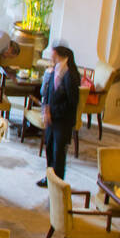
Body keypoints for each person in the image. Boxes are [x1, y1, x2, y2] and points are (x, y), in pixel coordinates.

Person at [37, 44, 80, 187]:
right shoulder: (54, 70)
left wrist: (52, 112)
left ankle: (58, 183)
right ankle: (49, 178)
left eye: (52, 54)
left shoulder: (71, 75)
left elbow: (72, 102)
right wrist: (45, 110)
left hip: (63, 120)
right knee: (49, 148)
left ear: (59, 55)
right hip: (51, 118)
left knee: (58, 152)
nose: (50, 57)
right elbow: (47, 93)